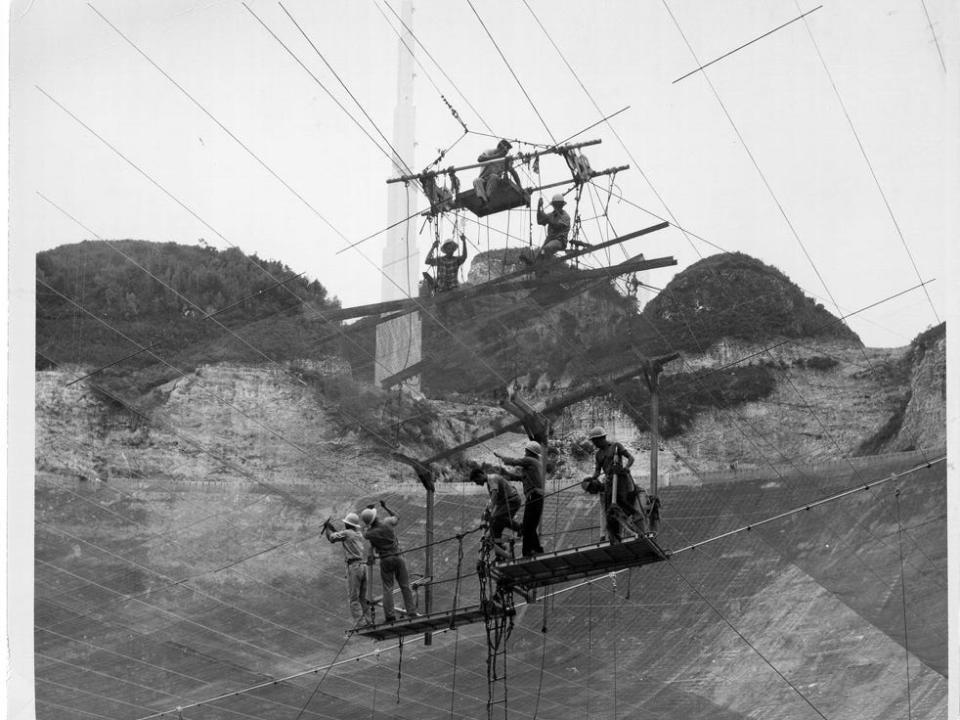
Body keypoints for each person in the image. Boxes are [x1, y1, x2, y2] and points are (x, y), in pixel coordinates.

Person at [361, 501, 419, 623]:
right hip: (398, 557)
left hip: (385, 560)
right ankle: (411, 612)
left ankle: (390, 616)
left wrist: (368, 519)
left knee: (388, 588)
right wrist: (385, 507)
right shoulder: (388, 522)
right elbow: (397, 516)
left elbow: (364, 532)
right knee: (405, 586)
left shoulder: (370, 534)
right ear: (376, 516)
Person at [585, 426, 646, 541]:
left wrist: (626, 468)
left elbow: (631, 458)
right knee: (609, 509)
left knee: (621, 502)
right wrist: (591, 479)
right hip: (609, 482)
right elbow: (598, 471)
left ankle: (638, 526)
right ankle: (614, 536)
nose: (594, 444)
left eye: (595, 441)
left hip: (620, 480)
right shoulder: (598, 454)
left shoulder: (616, 446)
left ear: (601, 438)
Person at [494, 440, 545, 557]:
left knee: (527, 526)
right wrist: (504, 473)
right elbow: (519, 478)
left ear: (529, 451)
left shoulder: (530, 460)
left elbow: (513, 461)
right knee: (530, 526)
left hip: (533, 497)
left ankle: (526, 552)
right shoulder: (534, 465)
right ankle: (537, 549)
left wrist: (500, 456)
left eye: (526, 450)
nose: (524, 452)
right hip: (537, 497)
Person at [322, 513, 372, 627]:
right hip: (363, 567)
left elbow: (332, 538)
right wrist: (334, 530)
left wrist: (327, 528)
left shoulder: (346, 533)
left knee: (354, 598)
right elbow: (343, 536)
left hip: (354, 567)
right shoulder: (358, 534)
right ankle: (369, 621)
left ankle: (361, 623)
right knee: (363, 597)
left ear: (346, 523)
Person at [471, 467, 522, 549]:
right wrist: (485, 518)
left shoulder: (492, 479)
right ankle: (500, 552)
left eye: (476, 481)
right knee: (495, 526)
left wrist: (487, 514)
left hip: (512, 500)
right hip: (505, 503)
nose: (477, 484)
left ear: (480, 475)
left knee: (497, 517)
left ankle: (520, 528)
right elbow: (493, 502)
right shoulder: (489, 482)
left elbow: (494, 497)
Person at [473, 139, 523, 204]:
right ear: (499, 148)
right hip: (484, 178)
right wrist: (496, 156)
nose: (506, 152)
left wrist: (520, 187)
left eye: (507, 151)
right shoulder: (490, 152)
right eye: (505, 150)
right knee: (476, 180)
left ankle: (488, 197)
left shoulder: (504, 160)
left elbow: (514, 173)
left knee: (493, 176)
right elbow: (480, 159)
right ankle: (484, 200)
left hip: (495, 180)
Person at [536, 193, 571, 259]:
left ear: (562, 205)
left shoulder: (565, 216)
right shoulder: (551, 215)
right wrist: (539, 207)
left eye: (558, 205)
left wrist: (547, 219)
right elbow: (539, 221)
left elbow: (557, 226)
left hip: (559, 241)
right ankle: (538, 266)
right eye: (555, 205)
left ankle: (547, 266)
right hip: (550, 239)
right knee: (540, 255)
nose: (557, 207)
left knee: (547, 248)